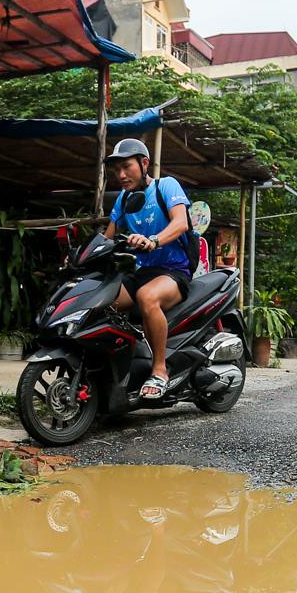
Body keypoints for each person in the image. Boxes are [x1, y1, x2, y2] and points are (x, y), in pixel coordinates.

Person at [103, 137, 194, 399]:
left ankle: (159, 370)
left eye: (127, 167)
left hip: (173, 271)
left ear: (144, 163)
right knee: (103, 301)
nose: (121, 175)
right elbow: (107, 237)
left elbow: (181, 224)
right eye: (116, 169)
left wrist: (153, 240)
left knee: (147, 297)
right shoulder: (123, 199)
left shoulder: (166, 186)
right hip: (140, 272)